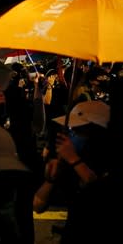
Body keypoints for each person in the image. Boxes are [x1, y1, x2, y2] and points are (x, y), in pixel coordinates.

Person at [33, 100, 121, 244]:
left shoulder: (106, 159)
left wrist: (74, 160)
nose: (71, 133)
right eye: (70, 128)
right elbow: (38, 206)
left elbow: (97, 190)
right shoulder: (67, 161)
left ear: (96, 130)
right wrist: (50, 180)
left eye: (78, 129)